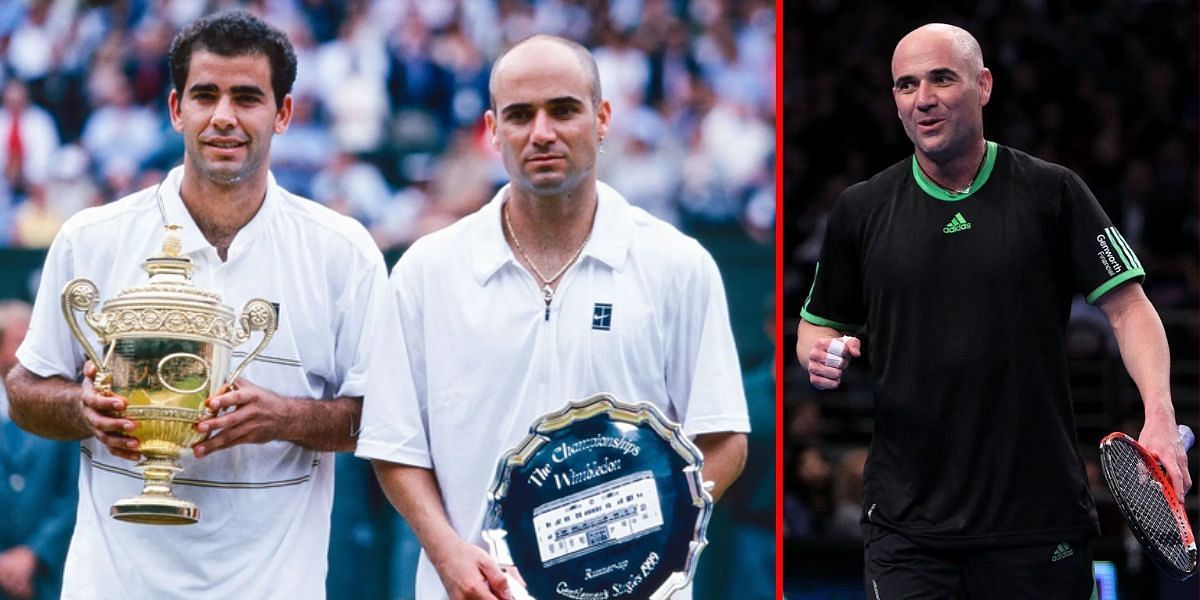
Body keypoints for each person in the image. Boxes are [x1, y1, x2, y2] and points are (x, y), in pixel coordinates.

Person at [795, 23, 1190, 599]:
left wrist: (1159, 413)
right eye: (906, 85)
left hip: (1038, 520)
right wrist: (817, 352)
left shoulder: (1053, 192)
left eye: (941, 78)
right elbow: (817, 322)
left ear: (983, 86)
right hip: (907, 529)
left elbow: (1130, 309)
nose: (923, 97)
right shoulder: (861, 210)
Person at [4, 11, 388, 598]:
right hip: (114, 584)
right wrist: (85, 410)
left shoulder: (343, 252)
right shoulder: (91, 238)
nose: (224, 118)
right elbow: (25, 391)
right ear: (175, 108)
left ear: (283, 113)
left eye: (247, 98)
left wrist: (282, 418)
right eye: (205, 95)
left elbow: (380, 420)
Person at [356, 34, 750, 600]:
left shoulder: (678, 265)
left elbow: (724, 441)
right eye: (520, 115)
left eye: (563, 110)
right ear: (493, 130)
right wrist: (448, 554)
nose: (541, 132)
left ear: (602, 118)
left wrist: (637, 542)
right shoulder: (426, 270)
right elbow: (395, 448)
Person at [0, 301, 77, 600]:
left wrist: (34, 554)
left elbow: (74, 491)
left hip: (50, 577)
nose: (26, 353)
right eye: (19, 342)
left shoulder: (59, 409)